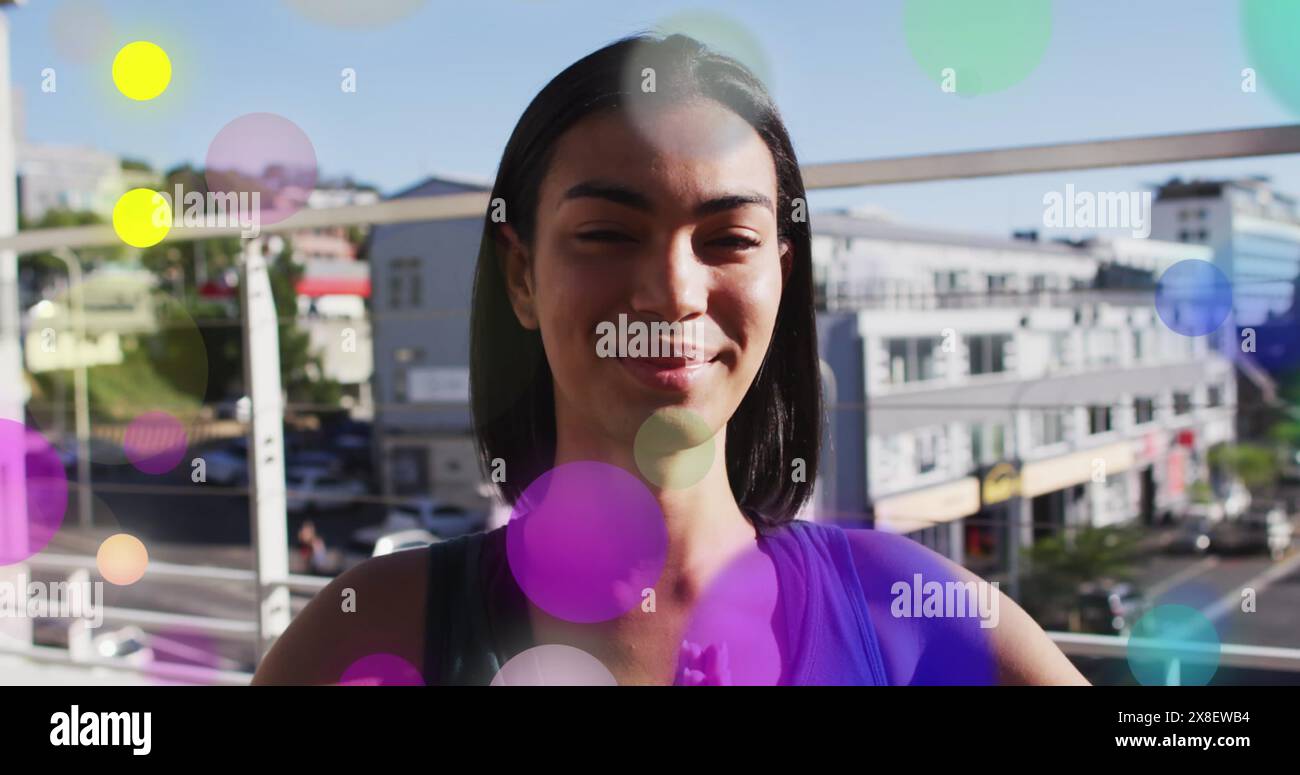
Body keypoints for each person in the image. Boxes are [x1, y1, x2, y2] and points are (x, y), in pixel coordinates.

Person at [253, 32, 1088, 686]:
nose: (672, 290)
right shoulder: (374, 627)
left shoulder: (903, 606)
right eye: (608, 234)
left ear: (780, 277)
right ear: (522, 276)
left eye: (729, 239)